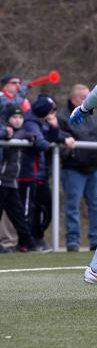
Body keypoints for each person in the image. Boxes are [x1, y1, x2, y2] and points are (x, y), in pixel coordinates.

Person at [20, 95, 75, 251]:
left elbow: (51, 137)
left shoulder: (39, 122)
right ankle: (29, 242)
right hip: (32, 173)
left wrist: (54, 126)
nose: (53, 114)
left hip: (39, 173)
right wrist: (56, 142)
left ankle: (35, 240)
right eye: (51, 111)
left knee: (45, 209)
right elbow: (41, 142)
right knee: (31, 210)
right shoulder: (31, 123)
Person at [57, 84, 97, 252]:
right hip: (73, 168)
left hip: (93, 168)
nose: (88, 100)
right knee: (72, 205)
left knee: (96, 204)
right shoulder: (62, 115)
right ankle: (72, 242)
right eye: (84, 97)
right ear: (74, 98)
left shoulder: (94, 113)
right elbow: (59, 138)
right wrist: (70, 155)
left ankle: (96, 240)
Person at [0, 105, 38, 252]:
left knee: (19, 215)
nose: (17, 120)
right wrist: (17, 135)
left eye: (20, 117)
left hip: (11, 182)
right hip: (2, 181)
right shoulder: (5, 131)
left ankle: (29, 243)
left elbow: (32, 138)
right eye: (14, 117)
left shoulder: (21, 133)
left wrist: (28, 136)